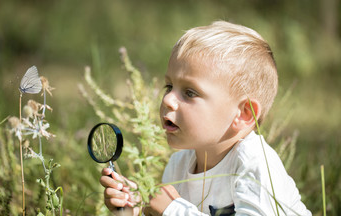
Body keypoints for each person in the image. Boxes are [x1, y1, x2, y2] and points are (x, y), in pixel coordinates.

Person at [100, 21, 312, 216]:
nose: (168, 100)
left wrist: (174, 210)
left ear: (244, 114)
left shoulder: (254, 164)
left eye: (190, 92)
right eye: (169, 87)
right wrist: (135, 208)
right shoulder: (179, 165)